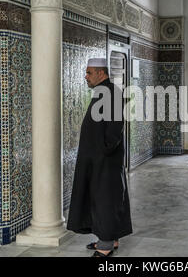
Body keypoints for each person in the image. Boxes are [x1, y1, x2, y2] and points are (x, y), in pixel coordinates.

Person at [67, 57, 132, 257]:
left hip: (104, 161)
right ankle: (111, 238)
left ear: (101, 73)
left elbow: (114, 128)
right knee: (105, 198)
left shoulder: (110, 92)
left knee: (105, 199)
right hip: (99, 159)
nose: (86, 77)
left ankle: (105, 246)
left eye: (89, 72)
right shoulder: (105, 91)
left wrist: (103, 150)